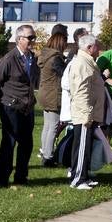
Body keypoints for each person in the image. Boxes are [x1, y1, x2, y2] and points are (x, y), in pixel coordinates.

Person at [0, 24, 40, 186]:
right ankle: (2, 179)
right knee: (9, 142)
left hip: (27, 107)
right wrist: (4, 103)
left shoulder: (32, 58)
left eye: (34, 37)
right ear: (19, 39)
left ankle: (21, 177)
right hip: (11, 107)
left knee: (27, 143)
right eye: (30, 37)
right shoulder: (9, 59)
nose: (33, 40)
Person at [65, 32, 108, 190]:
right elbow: (81, 92)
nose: (99, 49)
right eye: (97, 46)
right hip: (84, 114)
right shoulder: (82, 63)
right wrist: (87, 114)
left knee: (85, 145)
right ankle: (78, 179)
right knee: (82, 146)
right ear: (90, 48)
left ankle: (83, 175)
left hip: (89, 112)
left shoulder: (88, 62)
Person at [38, 24, 69, 165]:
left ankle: (45, 153)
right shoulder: (55, 57)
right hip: (53, 95)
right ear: (61, 39)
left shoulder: (46, 54)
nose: (67, 42)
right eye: (66, 39)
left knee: (48, 125)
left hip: (45, 93)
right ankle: (48, 157)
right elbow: (64, 74)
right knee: (53, 126)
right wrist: (69, 62)